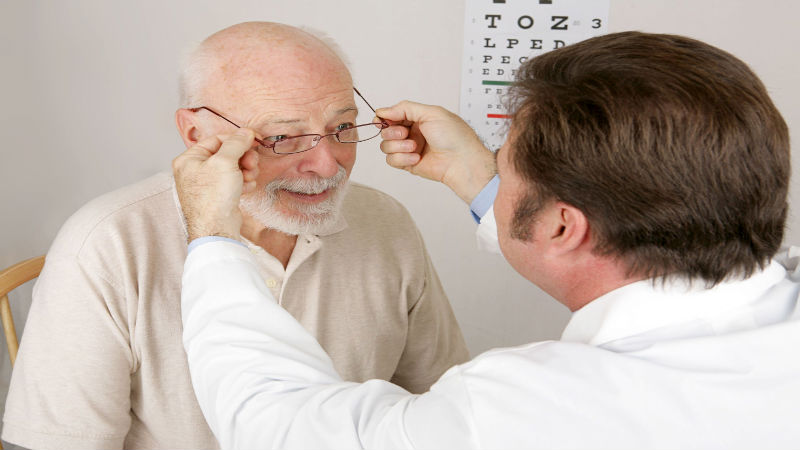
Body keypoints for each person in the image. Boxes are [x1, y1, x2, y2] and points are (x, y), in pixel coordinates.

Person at [175, 31, 800, 449]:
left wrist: (211, 238)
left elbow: (276, 419)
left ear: (562, 224)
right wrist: (478, 176)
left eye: (504, 161)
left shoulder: (525, 414)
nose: (326, 162)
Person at [2, 22, 468, 450]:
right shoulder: (107, 242)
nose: (329, 165)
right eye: (282, 138)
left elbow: (447, 410)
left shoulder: (386, 222)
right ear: (195, 132)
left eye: (342, 127)